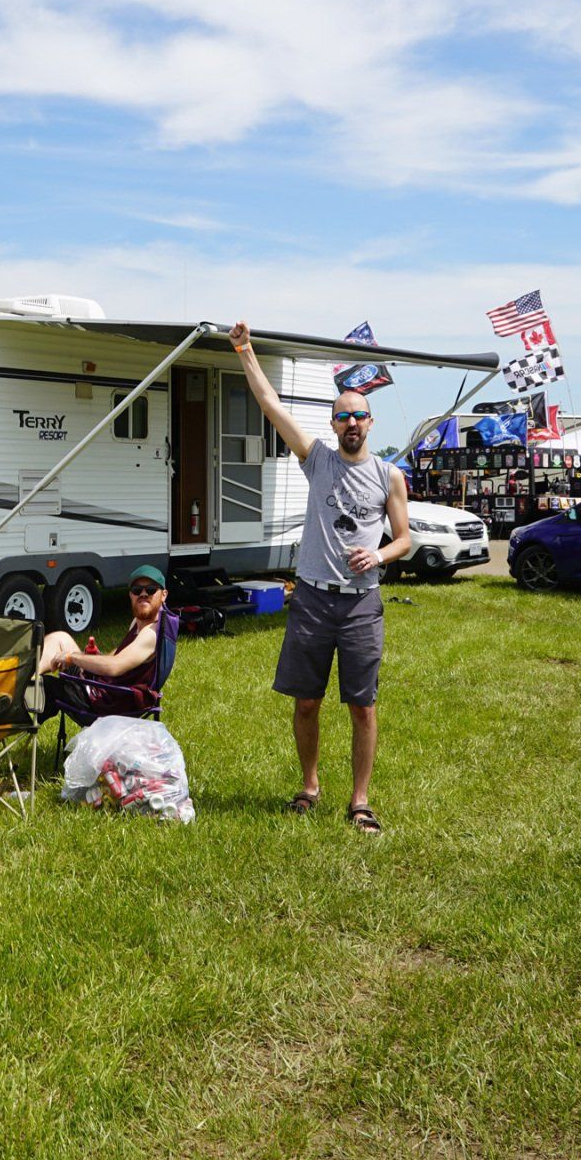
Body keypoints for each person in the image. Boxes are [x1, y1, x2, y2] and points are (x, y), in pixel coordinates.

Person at [230, 321, 410, 832]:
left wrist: (379, 556)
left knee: (363, 707)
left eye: (359, 416)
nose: (351, 422)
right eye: (342, 416)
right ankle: (310, 785)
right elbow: (271, 406)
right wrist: (245, 350)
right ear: (333, 425)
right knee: (306, 702)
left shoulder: (388, 476)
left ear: (371, 423)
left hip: (360, 604)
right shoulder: (317, 462)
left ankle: (359, 800)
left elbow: (404, 539)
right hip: (311, 599)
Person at [0, 564, 170, 768]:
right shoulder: (139, 622)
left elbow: (114, 667)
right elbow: (116, 656)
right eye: (137, 590)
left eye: (150, 590)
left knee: (37, 690)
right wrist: (94, 657)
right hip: (105, 690)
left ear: (163, 594)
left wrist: (74, 658)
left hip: (108, 703)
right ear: (131, 595)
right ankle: (11, 684)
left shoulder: (150, 634)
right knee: (60, 638)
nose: (143, 594)